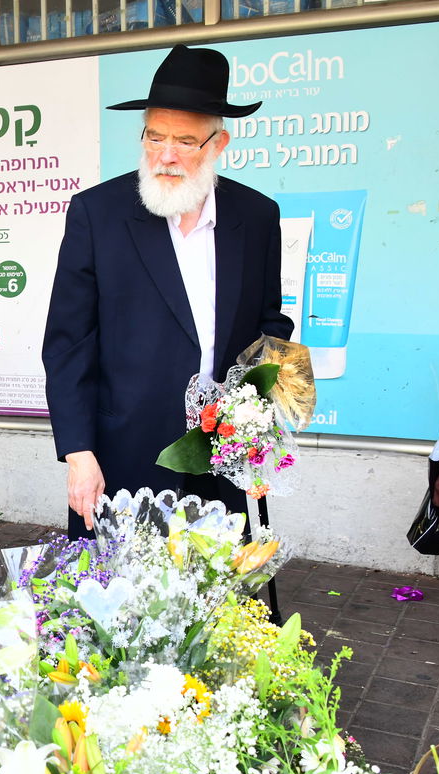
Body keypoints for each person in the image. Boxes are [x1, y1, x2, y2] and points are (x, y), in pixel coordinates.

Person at [42, 45, 294, 537]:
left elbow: (270, 326)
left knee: (217, 600)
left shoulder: (257, 217)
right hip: (122, 455)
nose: (167, 155)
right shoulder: (98, 215)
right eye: (155, 137)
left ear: (217, 144)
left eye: (184, 140)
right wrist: (78, 453)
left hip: (223, 456)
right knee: (119, 604)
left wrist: (262, 426)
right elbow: (68, 342)